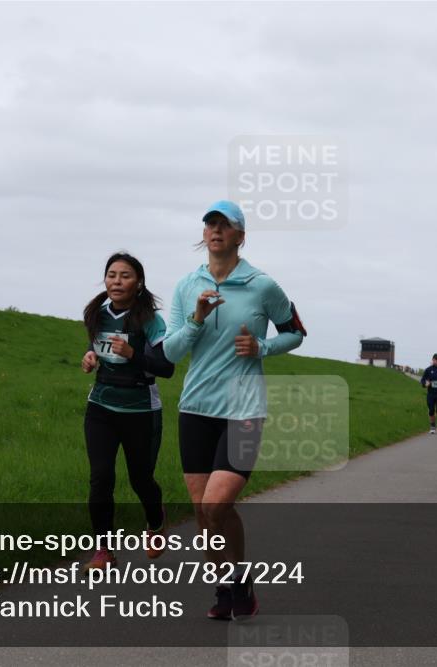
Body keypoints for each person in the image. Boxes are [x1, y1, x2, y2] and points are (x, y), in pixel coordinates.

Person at [163, 200, 306, 621]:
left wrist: (262, 346)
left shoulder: (262, 285)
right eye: (210, 224)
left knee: (217, 505)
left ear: (241, 236)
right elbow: (169, 351)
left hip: (244, 408)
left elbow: (296, 332)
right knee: (201, 510)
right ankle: (232, 588)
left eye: (225, 225)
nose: (216, 230)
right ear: (203, 233)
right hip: (196, 407)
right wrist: (196, 319)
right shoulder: (187, 285)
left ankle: (236, 583)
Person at [80, 252, 175, 571]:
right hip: (101, 407)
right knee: (101, 478)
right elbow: (99, 348)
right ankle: (103, 550)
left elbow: (166, 367)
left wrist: (134, 354)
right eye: (111, 274)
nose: (116, 281)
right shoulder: (95, 312)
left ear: (139, 283)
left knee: (141, 479)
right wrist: (91, 357)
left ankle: (155, 520)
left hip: (141, 411)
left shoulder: (150, 320)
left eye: (125, 275)